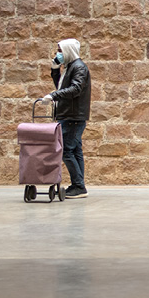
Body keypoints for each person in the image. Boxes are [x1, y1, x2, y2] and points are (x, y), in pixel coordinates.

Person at [41, 39, 91, 199]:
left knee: (66, 150)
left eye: (60, 51)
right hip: (70, 115)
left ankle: (79, 186)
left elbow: (75, 89)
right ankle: (78, 185)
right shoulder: (70, 67)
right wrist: (55, 70)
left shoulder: (79, 67)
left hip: (72, 116)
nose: (58, 54)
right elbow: (62, 87)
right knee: (75, 150)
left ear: (68, 50)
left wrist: (53, 95)